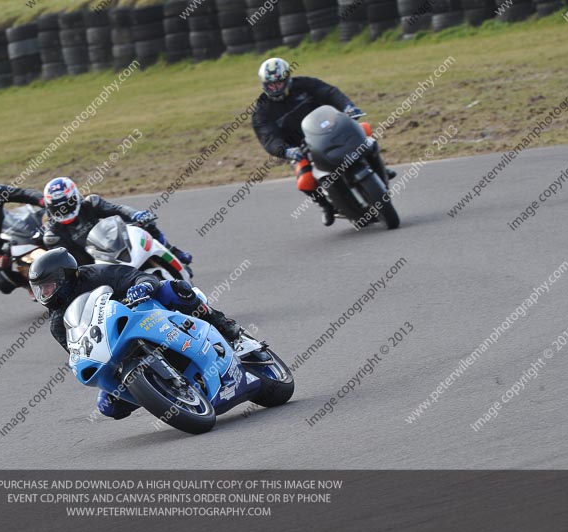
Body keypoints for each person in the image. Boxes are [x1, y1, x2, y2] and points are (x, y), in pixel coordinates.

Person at [29, 248, 241, 419]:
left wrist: (142, 287)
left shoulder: (97, 274)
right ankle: (159, 392)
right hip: (113, 347)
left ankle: (221, 323)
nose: (44, 294)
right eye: (40, 289)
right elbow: (77, 350)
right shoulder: (58, 324)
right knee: (107, 405)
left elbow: (140, 276)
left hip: (140, 312)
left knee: (173, 288)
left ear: (64, 277)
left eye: (48, 287)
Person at [251, 57, 395, 226]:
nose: (276, 88)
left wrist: (348, 107)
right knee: (305, 181)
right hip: (300, 149)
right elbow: (268, 138)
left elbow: (329, 92)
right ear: (264, 84)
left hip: (330, 130)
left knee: (366, 132)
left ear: (287, 78)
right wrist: (286, 150)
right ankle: (325, 206)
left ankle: (380, 169)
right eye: (271, 85)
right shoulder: (261, 111)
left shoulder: (304, 85)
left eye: (279, 83)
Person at [41, 177, 192, 266]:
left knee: (147, 224)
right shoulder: (53, 235)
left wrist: (136, 215)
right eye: (58, 208)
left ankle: (172, 252)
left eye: (67, 205)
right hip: (93, 266)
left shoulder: (91, 203)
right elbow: (67, 264)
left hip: (115, 242)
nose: (65, 211)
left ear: (75, 197)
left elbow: (118, 209)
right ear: (50, 207)